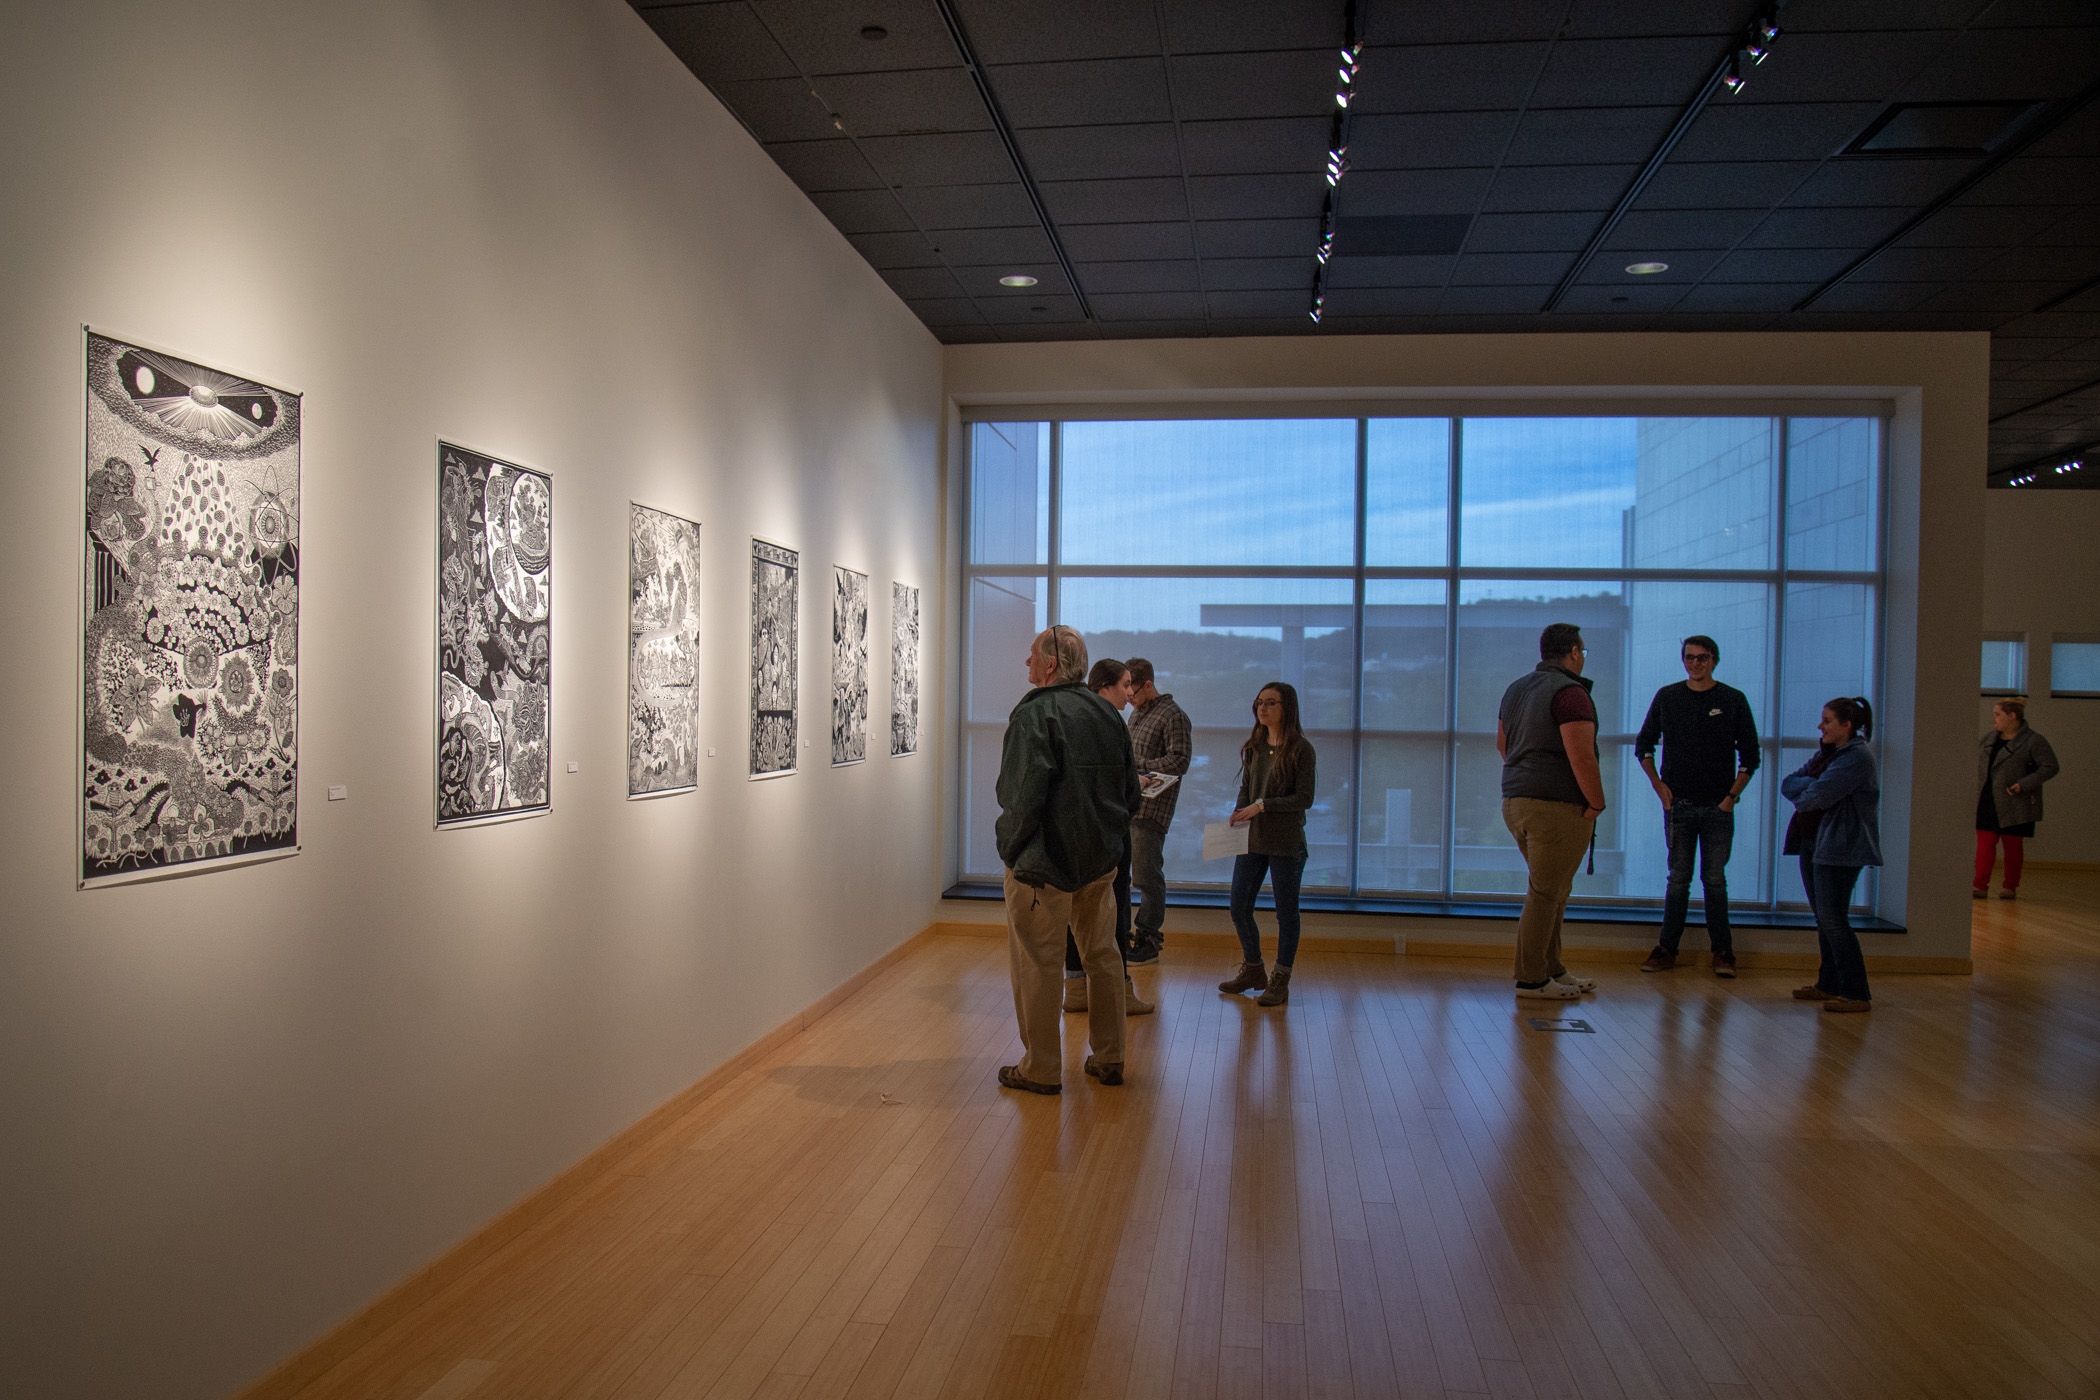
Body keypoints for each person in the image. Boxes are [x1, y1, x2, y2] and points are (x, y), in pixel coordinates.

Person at [995, 626, 1141, 1093]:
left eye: (1032, 655)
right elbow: (1130, 795)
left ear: (1051, 664)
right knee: (1104, 956)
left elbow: (1021, 797)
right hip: (1099, 863)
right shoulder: (1107, 713)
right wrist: (1106, 839)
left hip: (1043, 866)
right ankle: (1111, 1055)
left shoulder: (1034, 714)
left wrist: (1011, 850)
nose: (1027, 663)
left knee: (1038, 963)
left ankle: (1040, 1068)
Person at [1636, 634, 1760, 978]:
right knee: (1678, 879)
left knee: (1714, 880)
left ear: (1714, 660)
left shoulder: (1733, 699)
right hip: (1679, 806)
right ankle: (1666, 949)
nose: (1695, 663)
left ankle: (1723, 952)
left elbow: (1751, 755)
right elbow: (1644, 744)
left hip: (1718, 807)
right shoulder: (1668, 697)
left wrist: (1731, 797)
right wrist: (1658, 785)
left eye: (1702, 657)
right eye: (1689, 657)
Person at [1496, 623, 1605, 1002]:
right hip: (1556, 806)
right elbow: (1582, 756)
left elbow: (1502, 745)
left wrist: (1527, 777)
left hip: (1516, 801)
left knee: (1555, 889)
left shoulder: (1516, 689)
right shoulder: (1571, 693)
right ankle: (1532, 980)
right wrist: (1597, 802)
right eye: (1582, 652)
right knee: (1545, 893)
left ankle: (1552, 969)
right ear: (1573, 652)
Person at [1062, 658, 1153, 1016]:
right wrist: (1134, 787)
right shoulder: (1111, 723)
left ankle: (1076, 989)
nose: (1130, 692)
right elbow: (1124, 790)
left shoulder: (1071, 718)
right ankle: (1119, 993)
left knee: (1076, 911)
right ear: (1105, 687)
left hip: (1076, 831)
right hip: (1109, 834)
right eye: (1126, 685)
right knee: (1114, 913)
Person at [1217, 682, 1318, 1007]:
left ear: (1287, 708)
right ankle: (1254, 969)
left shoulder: (1301, 749)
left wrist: (1261, 805)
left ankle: (1280, 979)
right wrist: (1239, 811)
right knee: (1239, 906)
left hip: (1285, 843)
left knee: (1286, 913)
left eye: (1271, 703)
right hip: (1253, 839)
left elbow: (1304, 798)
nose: (1262, 708)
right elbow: (1247, 789)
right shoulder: (1255, 747)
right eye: (1260, 702)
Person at [1781, 697, 1881, 1013]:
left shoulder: (1856, 757)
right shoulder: (1828, 754)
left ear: (1846, 725)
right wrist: (1813, 784)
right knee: (1825, 919)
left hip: (1840, 848)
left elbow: (1815, 797)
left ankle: (1856, 993)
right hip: (1815, 844)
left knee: (1834, 920)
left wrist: (1811, 786)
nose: (1820, 726)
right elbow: (1788, 784)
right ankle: (1829, 984)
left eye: (1827, 721)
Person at [1123, 658, 1191, 966]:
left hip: (1152, 809)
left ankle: (1148, 939)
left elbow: (1179, 761)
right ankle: (1124, 935)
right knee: (1124, 875)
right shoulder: (1137, 713)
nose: (1129, 696)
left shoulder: (1173, 715)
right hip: (1128, 805)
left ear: (1148, 684)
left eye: (1133, 689)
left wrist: (1139, 768)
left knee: (1146, 876)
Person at [1975, 697, 2060, 900]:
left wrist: (2024, 784)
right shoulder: (1988, 739)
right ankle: (1979, 885)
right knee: (1985, 843)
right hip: (1988, 798)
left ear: (2012, 716)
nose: (1994, 719)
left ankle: (2010, 886)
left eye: (1998, 714)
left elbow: (2050, 766)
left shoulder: (2033, 741)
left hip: (2016, 800)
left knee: (2012, 845)